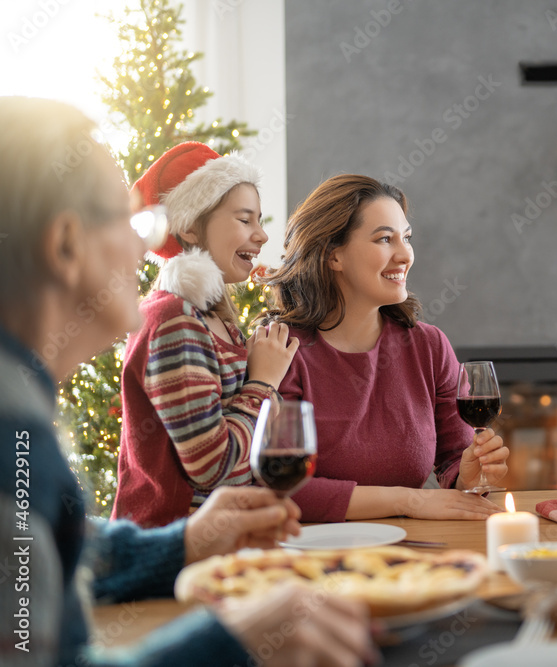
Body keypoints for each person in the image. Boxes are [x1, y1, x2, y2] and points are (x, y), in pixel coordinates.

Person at [0, 97, 377, 667]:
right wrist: (232, 641)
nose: (143, 246)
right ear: (66, 245)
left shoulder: (21, 416)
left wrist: (186, 542)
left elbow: (59, 551)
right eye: (126, 223)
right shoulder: (10, 443)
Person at [261, 174, 507, 522]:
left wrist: (469, 474)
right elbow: (282, 488)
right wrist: (409, 501)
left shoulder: (429, 346)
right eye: (385, 239)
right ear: (334, 256)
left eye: (406, 238)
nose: (404, 254)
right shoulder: (282, 351)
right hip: (314, 553)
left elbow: (456, 460)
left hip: (411, 550)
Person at [112, 141, 299, 527]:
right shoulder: (173, 319)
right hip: (171, 553)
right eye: (245, 220)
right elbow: (215, 469)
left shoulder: (218, 321)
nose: (262, 235)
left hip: (223, 543)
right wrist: (264, 382)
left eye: (259, 220)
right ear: (190, 228)